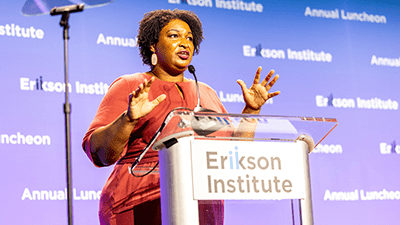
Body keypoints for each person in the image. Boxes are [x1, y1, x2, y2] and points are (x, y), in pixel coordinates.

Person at [82, 9, 280, 225]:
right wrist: (128, 119)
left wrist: (251, 112)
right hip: (140, 203)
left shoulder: (206, 92)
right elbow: (99, 153)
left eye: (190, 38)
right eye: (174, 36)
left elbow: (233, 156)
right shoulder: (131, 85)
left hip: (202, 202)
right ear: (152, 45)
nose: (185, 43)